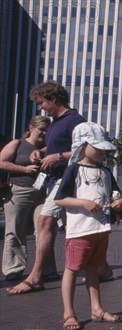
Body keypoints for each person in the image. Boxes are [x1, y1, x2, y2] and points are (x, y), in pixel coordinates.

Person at [7, 81, 85, 294]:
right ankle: (103, 270)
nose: (41, 107)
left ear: (53, 99)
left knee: (44, 222)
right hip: (54, 181)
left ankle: (36, 276)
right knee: (74, 228)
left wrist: (58, 156)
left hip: (66, 180)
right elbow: (55, 146)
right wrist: (40, 152)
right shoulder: (55, 122)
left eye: (42, 102)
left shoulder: (75, 121)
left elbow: (86, 150)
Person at [54, 122, 122, 330]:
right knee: (72, 270)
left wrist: (119, 203)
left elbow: (116, 194)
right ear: (83, 145)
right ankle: (68, 313)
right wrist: (83, 203)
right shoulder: (73, 169)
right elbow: (60, 199)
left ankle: (97, 308)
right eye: (98, 146)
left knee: (93, 268)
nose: (103, 150)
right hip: (80, 231)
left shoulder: (105, 171)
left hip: (101, 230)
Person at [1, 116, 50, 281]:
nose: (44, 133)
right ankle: (13, 268)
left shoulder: (46, 148)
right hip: (18, 191)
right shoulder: (18, 143)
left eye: (46, 130)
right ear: (31, 127)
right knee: (15, 230)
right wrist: (23, 169)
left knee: (45, 230)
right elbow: (1, 162)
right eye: (41, 129)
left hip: (42, 193)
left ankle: (46, 268)